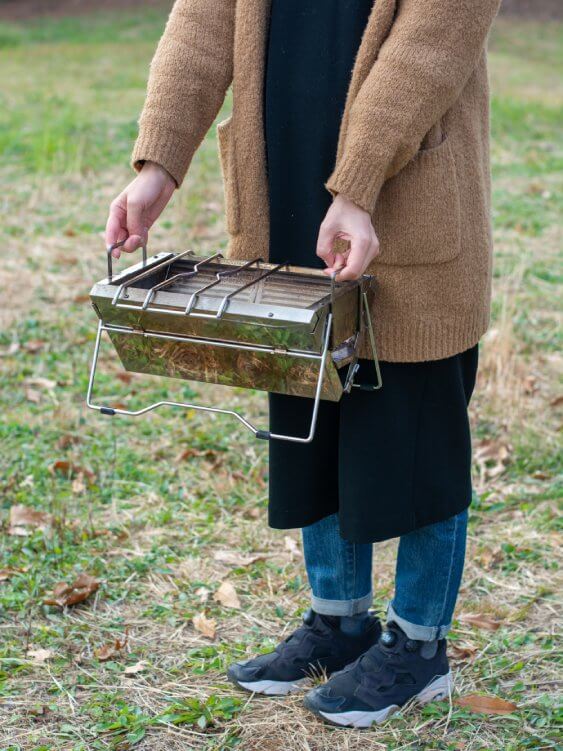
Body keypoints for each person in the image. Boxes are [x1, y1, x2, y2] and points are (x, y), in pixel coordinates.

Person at [106, 0, 501, 729]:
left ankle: (417, 647)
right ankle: (338, 621)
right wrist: (159, 164)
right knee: (308, 416)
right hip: (284, 177)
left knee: (418, 430)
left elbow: (432, 44)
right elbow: (201, 23)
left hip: (402, 197)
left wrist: (354, 185)